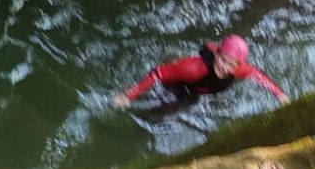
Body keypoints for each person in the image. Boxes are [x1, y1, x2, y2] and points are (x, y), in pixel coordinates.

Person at [112, 34, 289, 109]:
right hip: (177, 85)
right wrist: (129, 96)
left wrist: (279, 93)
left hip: (199, 91)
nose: (225, 68)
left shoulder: (239, 69)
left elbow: (257, 75)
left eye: (232, 65)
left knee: (188, 104)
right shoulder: (194, 69)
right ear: (217, 53)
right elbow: (157, 74)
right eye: (223, 60)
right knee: (162, 112)